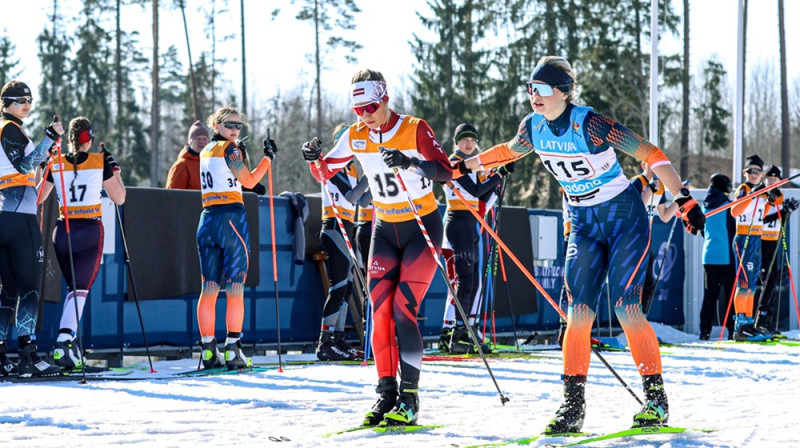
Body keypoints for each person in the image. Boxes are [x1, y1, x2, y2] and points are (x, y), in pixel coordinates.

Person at [455, 56, 705, 432]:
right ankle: (572, 407)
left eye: (541, 90)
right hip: (585, 222)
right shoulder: (533, 127)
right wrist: (461, 166)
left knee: (625, 307)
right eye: (529, 89)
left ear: (564, 92)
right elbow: (507, 150)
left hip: (624, 217)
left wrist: (684, 200)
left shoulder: (591, 124)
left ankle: (656, 400)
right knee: (578, 314)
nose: (533, 96)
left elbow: (651, 154)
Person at [301, 69, 452, 427]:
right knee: (379, 311)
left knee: (403, 308)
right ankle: (386, 394)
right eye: (358, 110)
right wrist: (312, 158)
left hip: (420, 226)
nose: (365, 115)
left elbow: (447, 171)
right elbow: (325, 174)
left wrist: (411, 162)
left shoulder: (414, 127)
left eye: (370, 106)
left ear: (384, 97)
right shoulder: (355, 135)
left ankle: (410, 397)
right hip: (384, 229)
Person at [37, 117, 126, 369]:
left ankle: (71, 346)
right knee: (80, 291)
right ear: (91, 139)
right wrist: (115, 171)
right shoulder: (100, 161)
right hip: (88, 230)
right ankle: (64, 343)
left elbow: (39, 195)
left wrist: (45, 165)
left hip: (63, 230)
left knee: (73, 290)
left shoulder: (57, 162)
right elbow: (119, 198)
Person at [196, 105, 277, 370]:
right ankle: (233, 350)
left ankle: (208, 350)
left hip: (207, 218)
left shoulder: (207, 149)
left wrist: (239, 151)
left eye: (238, 126)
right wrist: (268, 159)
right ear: (216, 125)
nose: (234, 130)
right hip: (230, 220)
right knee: (235, 289)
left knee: (208, 289)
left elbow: (228, 174)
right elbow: (250, 181)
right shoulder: (230, 149)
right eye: (229, 125)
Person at [0, 80, 64, 376]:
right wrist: (49, 138)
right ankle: (28, 354)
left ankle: (3, 355)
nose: (26, 103)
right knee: (29, 289)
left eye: (29, 98)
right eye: (19, 99)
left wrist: (44, 153)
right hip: (19, 220)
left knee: (8, 290)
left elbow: (26, 173)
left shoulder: (11, 129)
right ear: (6, 103)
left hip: (7, 215)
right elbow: (25, 166)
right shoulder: (8, 128)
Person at [440, 123, 504, 354]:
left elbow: (479, 196)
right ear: (457, 142)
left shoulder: (473, 164)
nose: (469, 144)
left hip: (470, 224)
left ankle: (463, 332)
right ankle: (457, 334)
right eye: (465, 140)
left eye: (473, 140)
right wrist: (499, 175)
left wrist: (496, 183)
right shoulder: (456, 161)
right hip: (458, 223)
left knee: (473, 283)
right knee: (466, 282)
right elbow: (475, 191)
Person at [315, 124, 369, 361]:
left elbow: (364, 201)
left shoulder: (352, 168)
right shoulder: (333, 164)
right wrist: (371, 176)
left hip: (348, 225)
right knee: (337, 287)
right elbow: (351, 196)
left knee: (346, 288)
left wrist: (380, 180)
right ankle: (325, 341)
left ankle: (337, 339)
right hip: (334, 226)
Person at [729, 155, 771, 342]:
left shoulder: (762, 191)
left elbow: (765, 212)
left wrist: (773, 199)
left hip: (756, 237)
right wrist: (752, 194)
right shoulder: (744, 189)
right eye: (750, 171)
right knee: (744, 282)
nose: (754, 175)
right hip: (744, 237)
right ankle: (740, 324)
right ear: (745, 173)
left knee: (752, 283)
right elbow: (735, 211)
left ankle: (748, 322)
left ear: (762, 174)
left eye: (757, 171)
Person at [629, 162, 679, 313]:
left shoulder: (660, 186)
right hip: (632, 239)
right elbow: (635, 208)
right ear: (644, 165)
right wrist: (650, 190)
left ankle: (641, 317)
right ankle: (632, 318)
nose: (656, 169)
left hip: (646, 240)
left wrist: (680, 199)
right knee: (636, 283)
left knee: (649, 283)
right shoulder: (637, 182)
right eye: (652, 165)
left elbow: (664, 216)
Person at [755, 165, 798, 334]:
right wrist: (780, 211)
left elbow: (780, 220)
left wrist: (787, 211)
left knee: (772, 282)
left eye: (775, 179)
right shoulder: (762, 195)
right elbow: (762, 219)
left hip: (773, 241)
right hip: (761, 242)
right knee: (768, 282)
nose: (772, 181)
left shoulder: (780, 196)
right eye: (770, 179)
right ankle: (760, 320)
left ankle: (767, 321)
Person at [699, 173, 736, 340]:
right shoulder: (728, 206)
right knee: (730, 296)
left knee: (709, 296)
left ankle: (704, 331)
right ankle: (731, 330)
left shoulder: (705, 205)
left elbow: (702, 230)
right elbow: (733, 230)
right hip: (726, 256)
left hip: (708, 255)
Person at [165, 120, 209, 190]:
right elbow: (172, 196)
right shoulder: (181, 165)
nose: (202, 142)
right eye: (197, 139)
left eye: (204, 138)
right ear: (190, 142)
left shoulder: (211, 163)